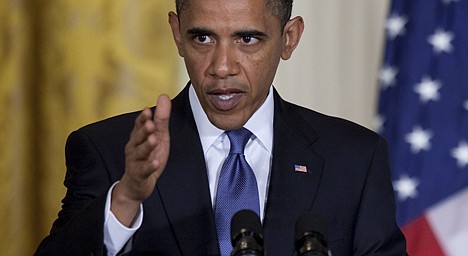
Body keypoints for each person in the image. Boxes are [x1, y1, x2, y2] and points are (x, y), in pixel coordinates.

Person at [35, 0, 407, 255]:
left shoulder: (354, 158)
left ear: (288, 38)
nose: (222, 66)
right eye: (203, 37)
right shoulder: (108, 150)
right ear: (177, 33)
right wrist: (127, 198)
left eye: (247, 39)